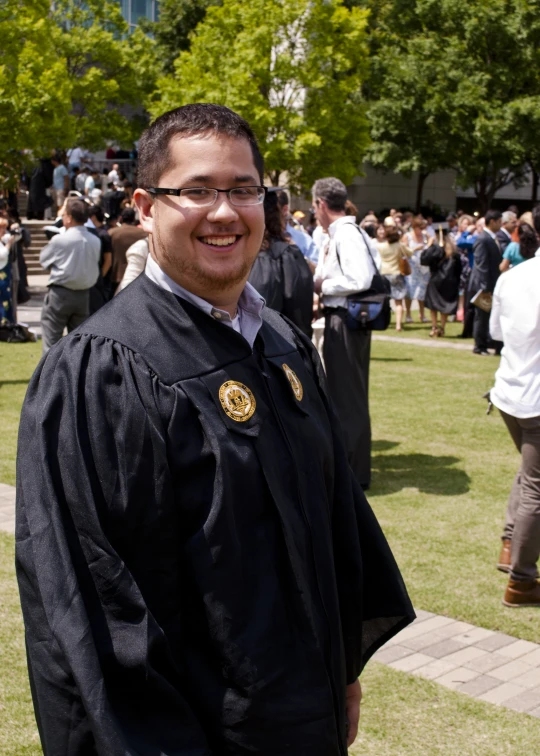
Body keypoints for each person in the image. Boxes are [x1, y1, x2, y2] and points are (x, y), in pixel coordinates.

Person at [16, 103, 414, 755]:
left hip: (299, 710)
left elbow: (332, 516)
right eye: (196, 190)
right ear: (146, 207)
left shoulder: (282, 342)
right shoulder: (102, 371)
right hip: (198, 733)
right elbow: (92, 606)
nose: (224, 212)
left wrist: (341, 672)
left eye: (242, 190)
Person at [314, 177, 382, 490]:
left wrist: (323, 287)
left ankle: (354, 474)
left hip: (345, 319)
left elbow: (361, 277)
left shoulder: (347, 235)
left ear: (321, 204)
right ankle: (352, 469)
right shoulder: (346, 234)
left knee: (348, 398)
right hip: (344, 319)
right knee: (346, 395)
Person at [490, 245, 540, 606]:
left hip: (508, 390)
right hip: (533, 396)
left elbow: (496, 331)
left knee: (529, 474)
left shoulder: (511, 276)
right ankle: (521, 581)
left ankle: (510, 545)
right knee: (536, 486)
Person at [248, 190, 314, 336]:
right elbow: (300, 310)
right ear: (277, 215)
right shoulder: (287, 255)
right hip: (280, 344)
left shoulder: (238, 253)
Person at [39, 198, 101, 352]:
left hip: (61, 293)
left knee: (51, 342)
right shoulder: (95, 240)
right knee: (79, 344)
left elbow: (44, 260)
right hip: (83, 295)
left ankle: (50, 375)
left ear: (69, 218)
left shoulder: (60, 240)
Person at [468, 209, 503, 355]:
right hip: (484, 285)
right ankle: (479, 346)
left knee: (488, 315)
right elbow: (481, 265)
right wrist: (485, 287)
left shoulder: (491, 238)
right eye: (499, 221)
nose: (501, 224)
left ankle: (488, 343)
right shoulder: (483, 239)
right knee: (482, 315)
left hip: (491, 283)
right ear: (493, 222)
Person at [376, 219, 413, 332]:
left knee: (383, 300)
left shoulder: (380, 246)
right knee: (398, 301)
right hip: (396, 273)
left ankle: (381, 322)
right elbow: (410, 253)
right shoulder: (399, 245)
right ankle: (398, 325)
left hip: (383, 273)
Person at [421, 235, 462, 337]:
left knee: (433, 305)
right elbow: (459, 269)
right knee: (445, 305)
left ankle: (434, 327)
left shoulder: (435, 250)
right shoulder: (455, 252)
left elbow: (424, 260)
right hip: (450, 282)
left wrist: (428, 246)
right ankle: (442, 328)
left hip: (435, 280)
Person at [109, 206, 148, 292]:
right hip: (138, 275)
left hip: (115, 274)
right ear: (134, 219)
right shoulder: (144, 233)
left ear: (121, 218)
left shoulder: (112, 232)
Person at [277, 189, 319, 266]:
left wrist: (298, 256)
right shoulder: (255, 240)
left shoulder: (304, 240)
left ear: (285, 209)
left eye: (272, 210)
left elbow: (317, 272)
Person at [404, 215, 433, 323]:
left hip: (424, 268)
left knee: (422, 291)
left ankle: (422, 314)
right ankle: (408, 314)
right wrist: (416, 248)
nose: (421, 230)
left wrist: (428, 244)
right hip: (412, 268)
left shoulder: (425, 235)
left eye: (422, 228)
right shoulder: (408, 236)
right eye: (419, 228)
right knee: (410, 291)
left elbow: (432, 239)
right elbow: (404, 251)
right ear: (414, 227)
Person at [86, 204, 113, 313]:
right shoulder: (99, 233)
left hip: (99, 283)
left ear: (92, 217)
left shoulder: (102, 234)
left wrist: (99, 277)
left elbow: (108, 260)